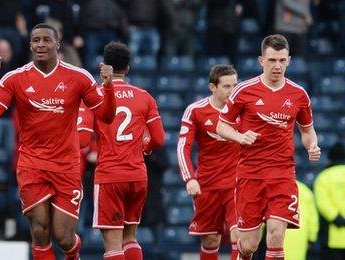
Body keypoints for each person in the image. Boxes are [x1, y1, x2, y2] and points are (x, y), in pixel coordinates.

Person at [0, 23, 117, 260]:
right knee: (39, 231)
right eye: (36, 40)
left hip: (66, 167)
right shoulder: (16, 78)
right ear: (30, 44)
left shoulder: (79, 77)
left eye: (46, 40)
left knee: (64, 238)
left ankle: (73, 255)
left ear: (58, 44)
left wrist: (108, 86)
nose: (40, 44)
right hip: (32, 165)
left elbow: (106, 116)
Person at [216, 34, 320, 260]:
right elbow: (221, 126)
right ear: (261, 61)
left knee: (275, 237)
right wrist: (240, 137)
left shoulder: (299, 94)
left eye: (282, 61)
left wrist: (312, 145)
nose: (277, 66)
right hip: (250, 173)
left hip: (282, 173)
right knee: (249, 245)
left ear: (289, 60)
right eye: (272, 60)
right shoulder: (244, 91)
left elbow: (307, 130)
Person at [90, 42, 165, 260]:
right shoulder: (144, 96)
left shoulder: (95, 95)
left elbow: (84, 137)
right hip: (137, 175)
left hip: (110, 175)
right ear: (128, 69)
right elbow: (159, 139)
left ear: (103, 65)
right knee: (130, 237)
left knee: (112, 243)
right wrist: (146, 146)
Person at [177, 64, 241, 260]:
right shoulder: (196, 110)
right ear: (213, 87)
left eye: (235, 85)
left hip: (237, 183)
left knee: (240, 237)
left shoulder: (244, 109)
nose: (233, 91)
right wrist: (190, 179)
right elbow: (182, 148)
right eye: (227, 86)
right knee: (210, 240)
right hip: (208, 184)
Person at [314, 142, 345, 259]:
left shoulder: (323, 176)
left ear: (330, 159)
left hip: (331, 238)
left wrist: (337, 219)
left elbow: (322, 202)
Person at [283, 180, 318, 260]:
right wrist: (312, 238)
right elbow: (313, 217)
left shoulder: (273, 188)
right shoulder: (305, 190)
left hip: (277, 235)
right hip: (300, 234)